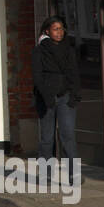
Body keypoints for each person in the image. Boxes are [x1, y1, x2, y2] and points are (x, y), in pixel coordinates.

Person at [32, 15, 80, 181]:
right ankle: (45, 174)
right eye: (55, 29)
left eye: (61, 29)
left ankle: (73, 174)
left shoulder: (69, 49)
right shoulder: (39, 51)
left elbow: (74, 74)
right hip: (47, 99)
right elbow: (37, 77)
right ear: (47, 31)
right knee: (47, 138)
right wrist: (47, 97)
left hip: (66, 97)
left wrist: (74, 95)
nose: (59, 32)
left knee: (68, 135)